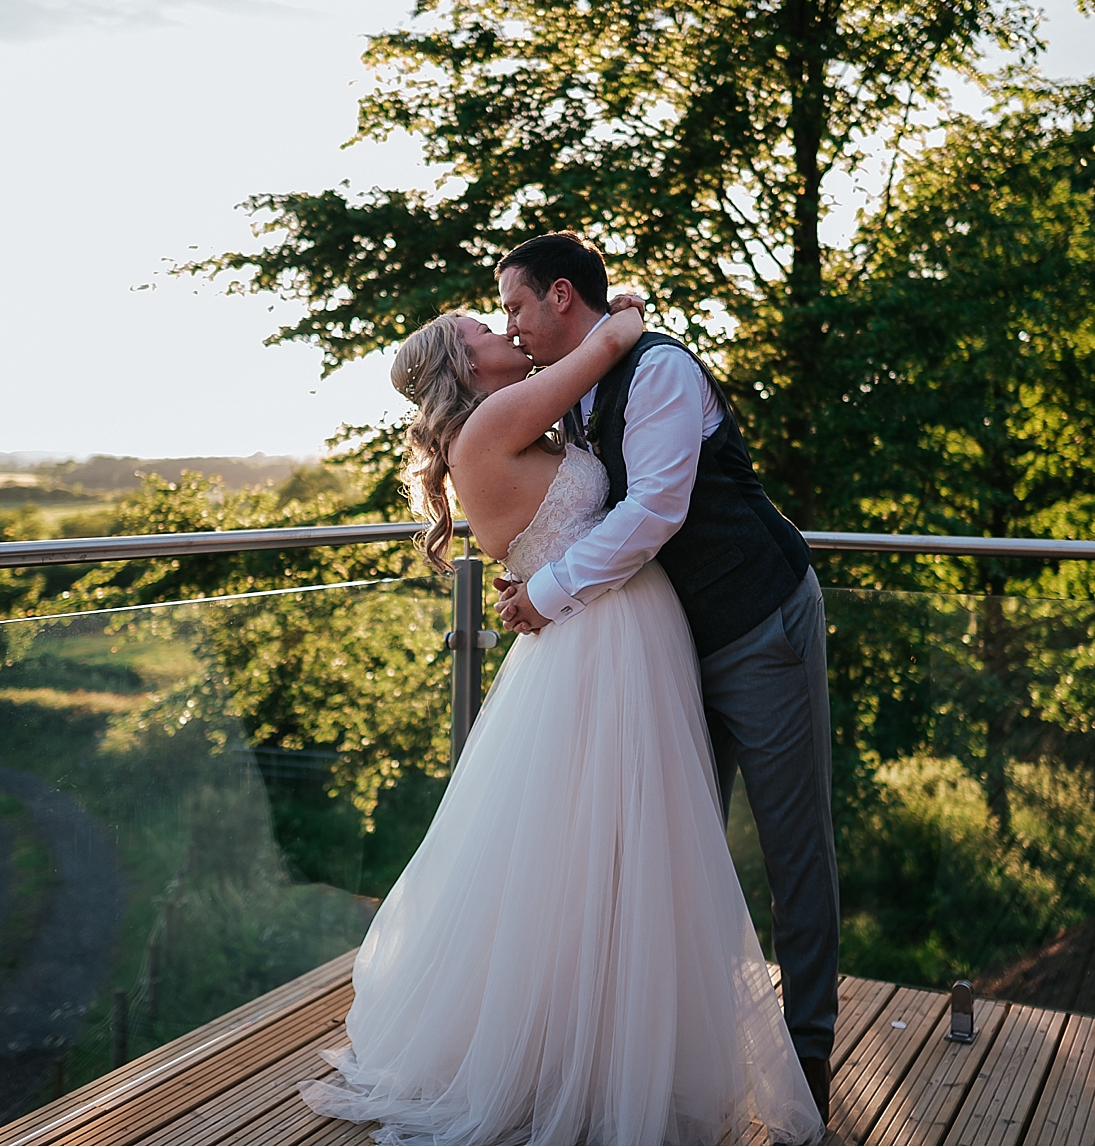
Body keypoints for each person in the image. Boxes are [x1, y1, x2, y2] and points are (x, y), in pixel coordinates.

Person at [297, 293, 820, 1146]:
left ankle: (598, 1048)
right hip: (602, 639)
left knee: (595, 855)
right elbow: (608, 343)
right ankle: (595, 1062)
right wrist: (620, 312)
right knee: (617, 848)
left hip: (603, 632)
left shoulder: (510, 424)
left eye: (501, 311)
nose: (500, 327)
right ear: (462, 365)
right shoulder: (502, 414)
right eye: (481, 325)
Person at [492, 233, 838, 1123]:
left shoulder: (659, 372)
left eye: (517, 306)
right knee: (669, 853)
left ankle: (808, 1072)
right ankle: (674, 1064)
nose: (512, 326)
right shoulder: (581, 386)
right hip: (676, 646)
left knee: (793, 847)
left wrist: (550, 590)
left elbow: (655, 509)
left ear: (562, 295)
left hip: (761, 624)